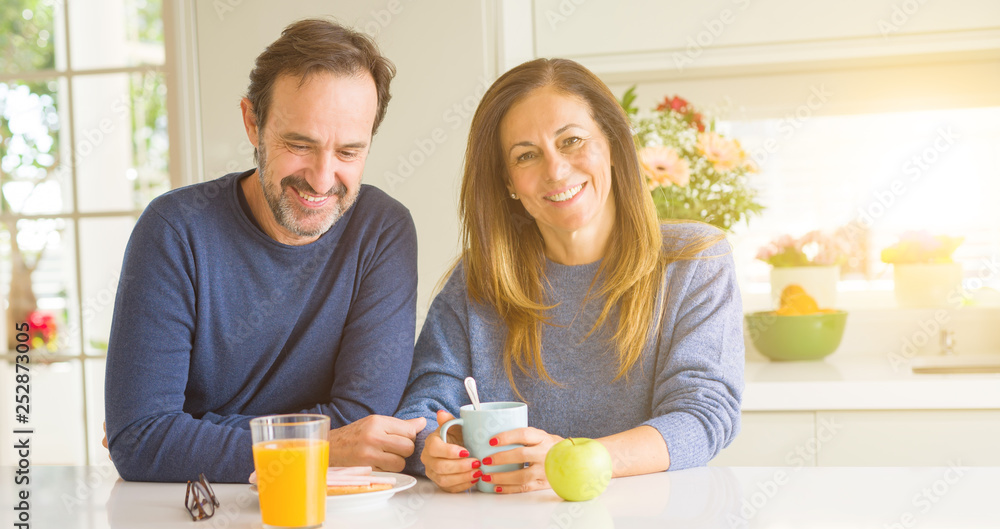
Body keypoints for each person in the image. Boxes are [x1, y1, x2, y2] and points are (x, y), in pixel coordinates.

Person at [395, 58, 744, 494]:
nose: (556, 170)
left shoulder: (694, 263)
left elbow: (704, 417)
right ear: (508, 182)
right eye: (526, 155)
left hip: (654, 528)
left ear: (613, 145)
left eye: (572, 141)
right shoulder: (478, 280)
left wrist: (571, 459)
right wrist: (440, 447)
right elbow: (421, 414)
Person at [104, 19, 425, 483]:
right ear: (253, 123)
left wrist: (191, 433)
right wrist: (324, 445)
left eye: (349, 152)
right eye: (300, 144)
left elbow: (365, 423)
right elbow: (140, 441)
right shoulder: (174, 229)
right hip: (192, 515)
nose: (321, 178)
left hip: (332, 510)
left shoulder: (383, 231)